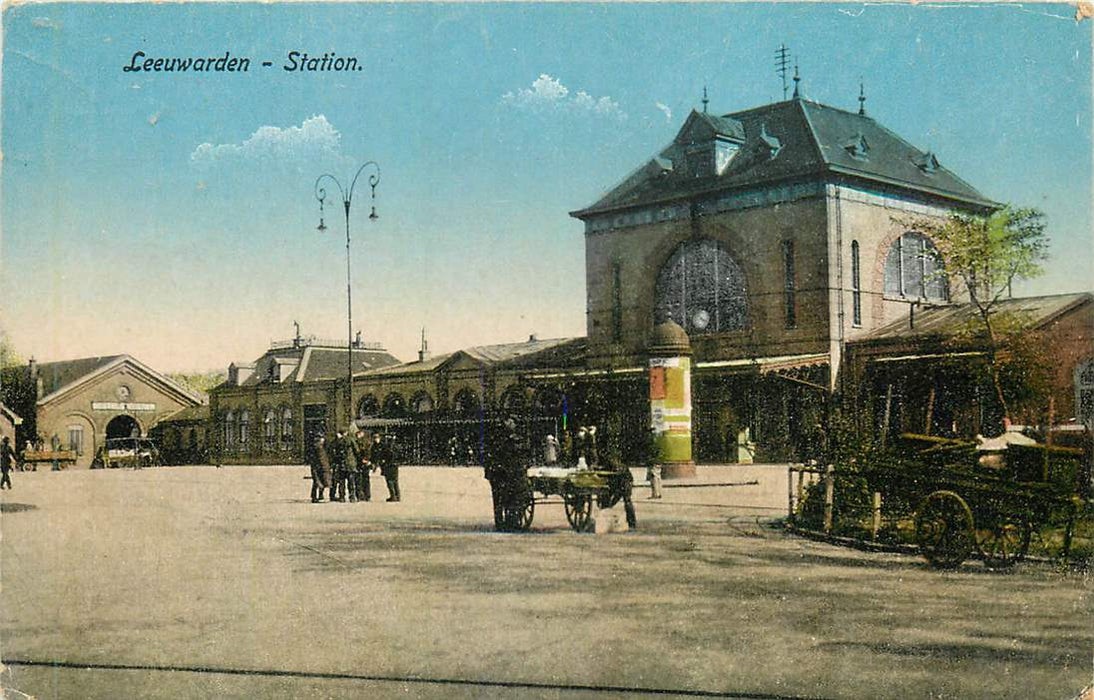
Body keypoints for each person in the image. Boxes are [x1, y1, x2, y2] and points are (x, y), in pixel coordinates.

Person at [374, 432, 400, 502]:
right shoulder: (396, 446)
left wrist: (383, 460)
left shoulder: (387, 447)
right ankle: (397, 496)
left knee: (390, 482)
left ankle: (393, 496)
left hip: (389, 466)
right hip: (395, 465)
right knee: (395, 481)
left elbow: (386, 455)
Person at [309, 435, 331, 503]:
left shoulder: (316, 448)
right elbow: (322, 459)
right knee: (320, 481)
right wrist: (326, 467)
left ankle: (315, 496)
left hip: (316, 466)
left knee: (317, 482)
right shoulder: (320, 449)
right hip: (320, 467)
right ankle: (318, 496)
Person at [355, 428, 373, 502]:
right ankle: (366, 495)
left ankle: (362, 495)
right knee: (364, 480)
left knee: (361, 480)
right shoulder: (367, 442)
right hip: (363, 463)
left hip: (362, 463)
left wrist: (365, 459)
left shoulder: (362, 443)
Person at [329, 430, 348, 502]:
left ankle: (333, 495)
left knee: (335, 481)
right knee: (341, 481)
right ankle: (341, 496)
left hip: (335, 464)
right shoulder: (341, 442)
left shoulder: (333, 442)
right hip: (340, 463)